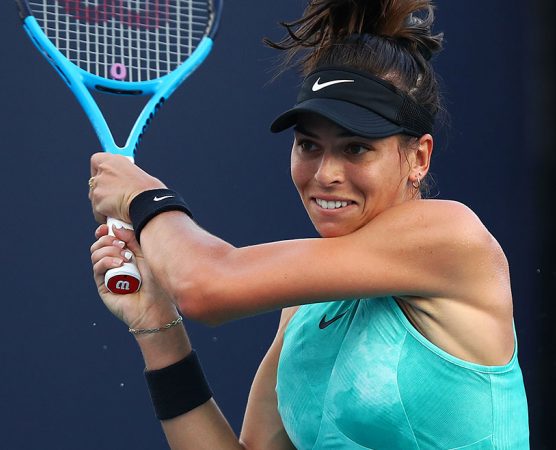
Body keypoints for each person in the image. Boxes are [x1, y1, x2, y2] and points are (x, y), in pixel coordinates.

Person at [88, 0, 529, 448]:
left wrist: (145, 196)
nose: (325, 174)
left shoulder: (452, 237)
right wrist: (158, 325)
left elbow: (206, 285)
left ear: (418, 158)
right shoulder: (302, 311)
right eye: (309, 146)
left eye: (355, 148)